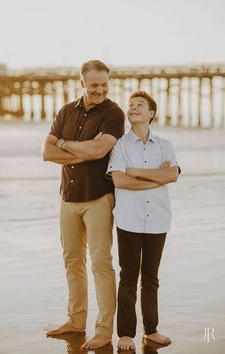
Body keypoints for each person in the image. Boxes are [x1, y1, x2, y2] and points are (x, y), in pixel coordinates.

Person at [42, 60, 125, 350]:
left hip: (99, 197)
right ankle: (76, 321)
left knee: (101, 264)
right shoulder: (66, 111)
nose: (101, 89)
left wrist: (64, 144)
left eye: (105, 84)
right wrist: (81, 151)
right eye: (94, 85)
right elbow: (46, 152)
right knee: (72, 262)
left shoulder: (114, 113)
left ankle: (103, 331)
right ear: (82, 84)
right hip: (68, 198)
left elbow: (100, 149)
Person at [107, 90, 180, 351]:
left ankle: (151, 330)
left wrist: (136, 172)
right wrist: (155, 176)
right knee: (128, 276)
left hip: (158, 219)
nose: (133, 108)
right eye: (131, 105)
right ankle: (126, 334)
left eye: (140, 105)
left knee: (151, 278)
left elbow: (172, 176)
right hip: (128, 220)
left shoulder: (165, 145)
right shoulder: (120, 145)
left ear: (151, 113)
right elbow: (119, 180)